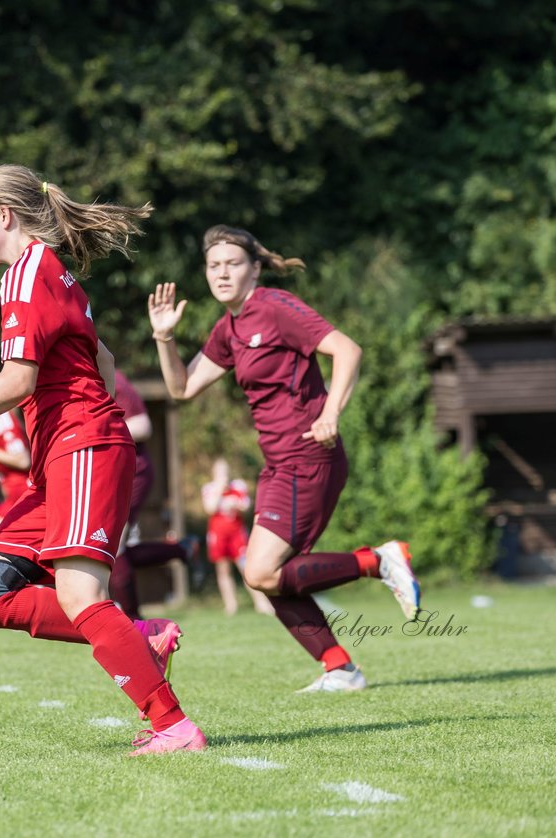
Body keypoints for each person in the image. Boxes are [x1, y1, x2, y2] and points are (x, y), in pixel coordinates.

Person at [0, 164, 204, 755]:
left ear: (3, 216)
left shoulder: (26, 275)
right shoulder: (50, 272)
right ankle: (140, 638)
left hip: (80, 451)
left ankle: (174, 726)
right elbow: (104, 361)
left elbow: (17, 381)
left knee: (82, 598)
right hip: (64, 459)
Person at [147, 224, 420, 694]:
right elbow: (181, 388)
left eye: (233, 263)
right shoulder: (228, 328)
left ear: (255, 268)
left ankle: (378, 561)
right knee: (267, 578)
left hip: (309, 455)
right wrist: (164, 339)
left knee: (260, 572)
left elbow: (347, 350)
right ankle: (340, 668)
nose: (222, 273)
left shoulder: (273, 307)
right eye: (214, 266)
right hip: (277, 465)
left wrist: (332, 412)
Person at [107, 369, 190, 620]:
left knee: (112, 543)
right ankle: (180, 550)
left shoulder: (112, 378)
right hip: (108, 473)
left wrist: (95, 437)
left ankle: (133, 621)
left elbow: (142, 426)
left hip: (132, 471)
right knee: (106, 545)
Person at [202, 459, 275, 616]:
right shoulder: (210, 489)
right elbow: (209, 509)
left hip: (237, 534)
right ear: (214, 474)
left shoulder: (238, 486)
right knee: (223, 570)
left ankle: (261, 603)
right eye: (220, 472)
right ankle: (231, 605)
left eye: (226, 472)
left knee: (246, 568)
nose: (224, 476)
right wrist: (220, 490)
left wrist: (238, 505)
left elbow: (247, 507)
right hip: (218, 535)